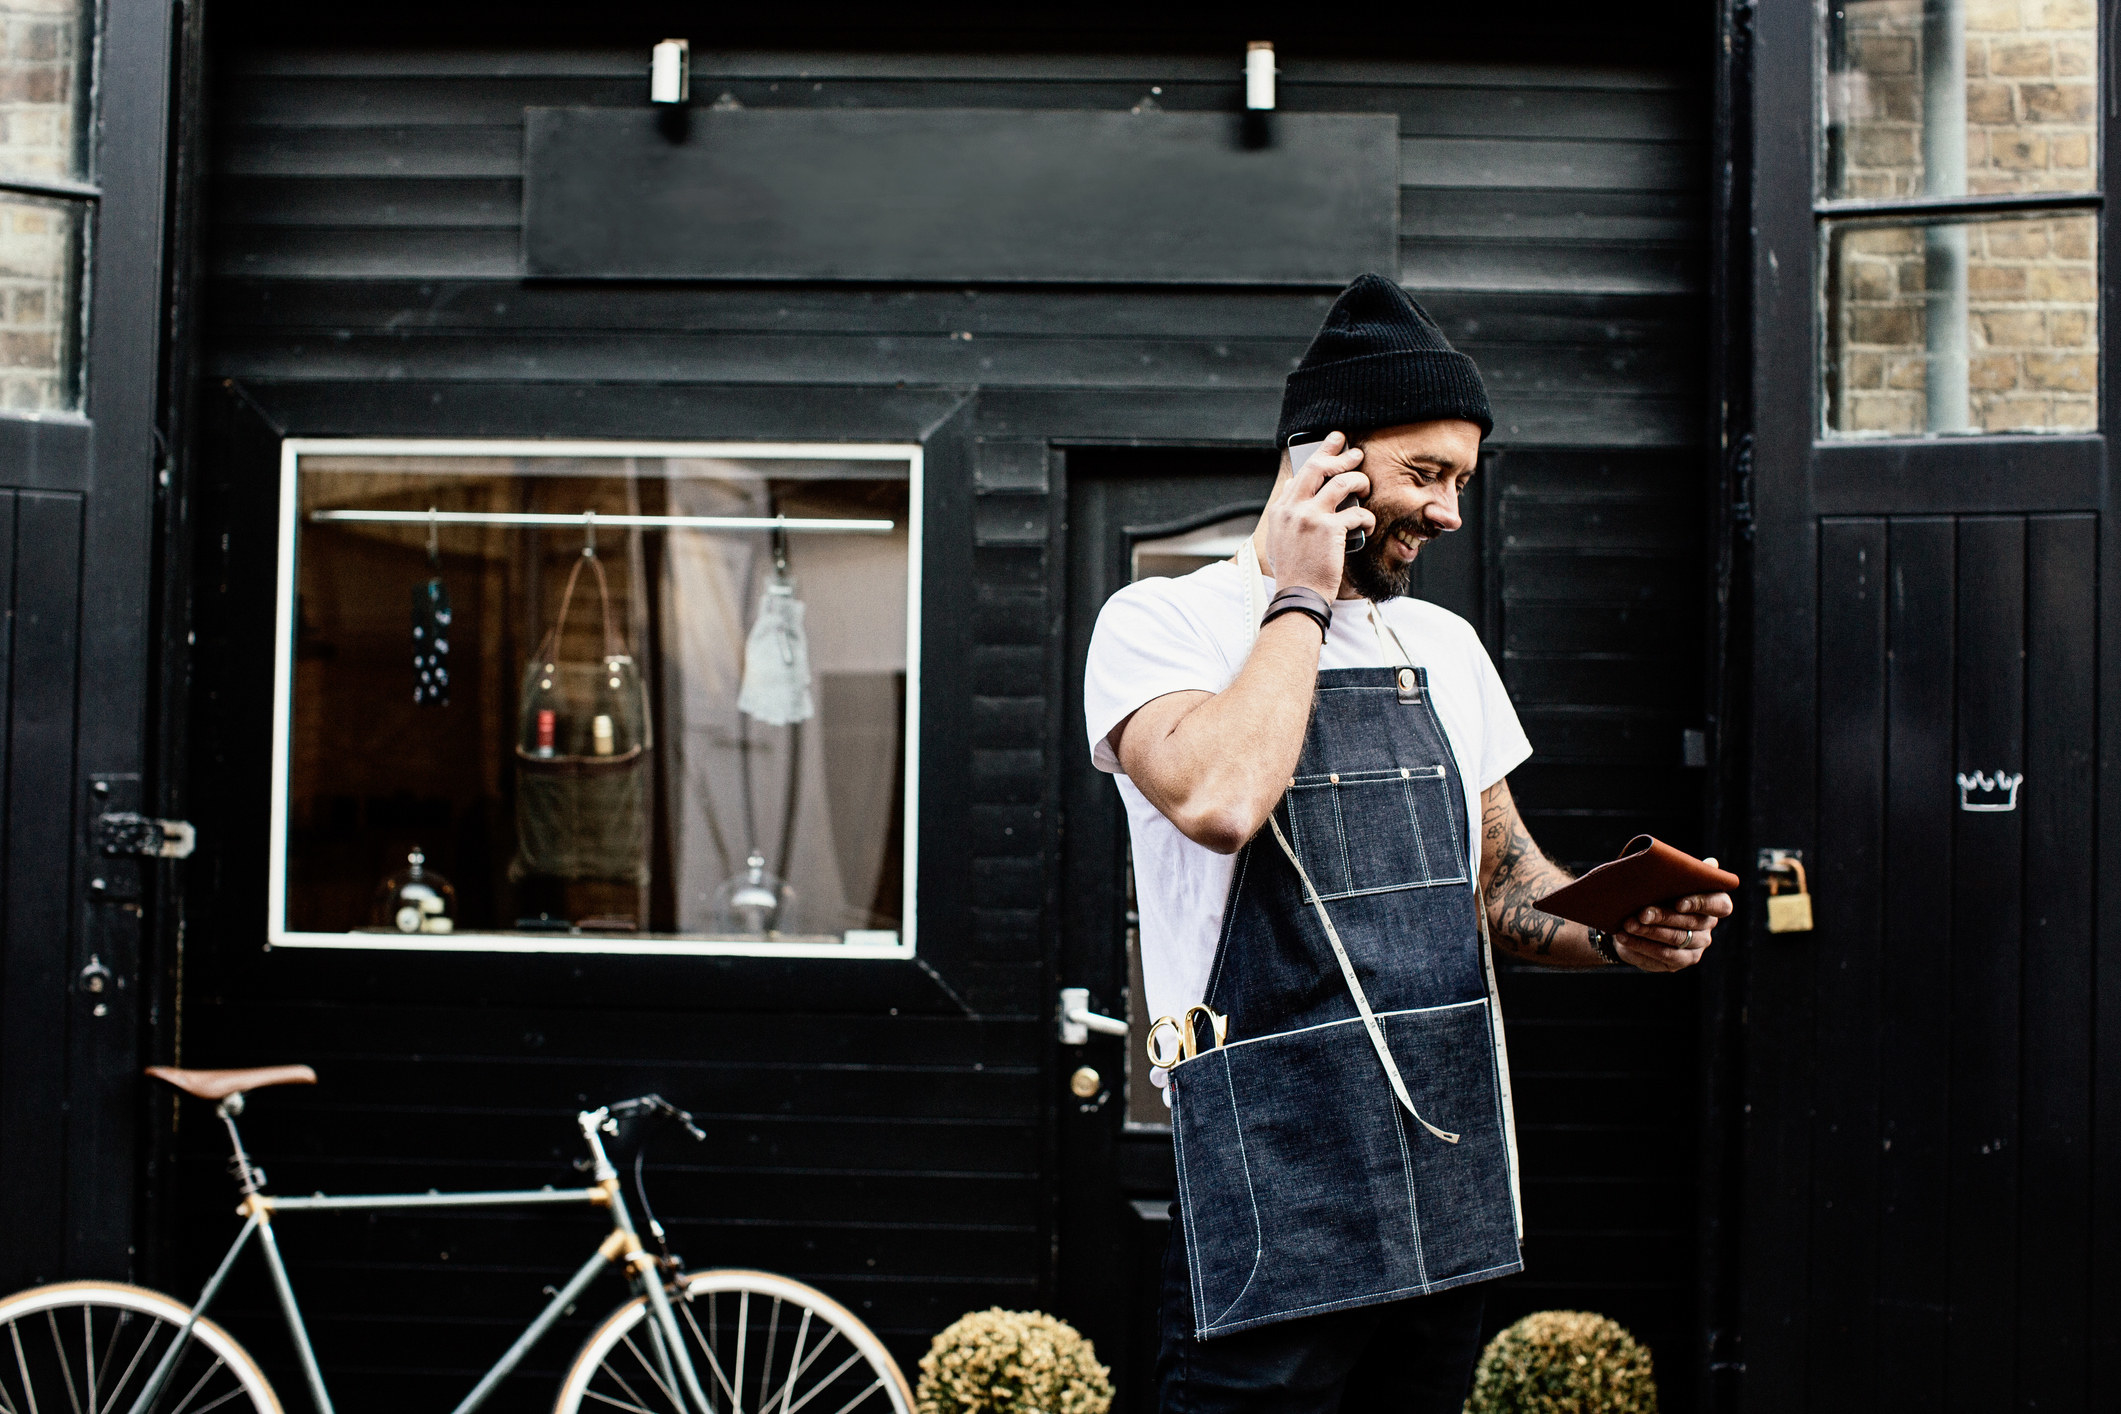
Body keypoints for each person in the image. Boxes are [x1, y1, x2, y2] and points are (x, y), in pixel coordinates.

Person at [1082, 274, 1732, 1414]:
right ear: (1319, 462)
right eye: (1425, 474)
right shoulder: (1162, 625)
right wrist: (1301, 594)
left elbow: (1503, 886)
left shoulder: (1446, 645)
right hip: (1266, 1180)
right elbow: (1224, 798)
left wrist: (1620, 934)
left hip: (1444, 1166)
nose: (1447, 513)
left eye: (1462, 483)